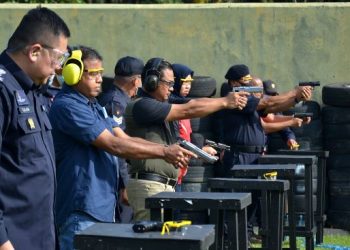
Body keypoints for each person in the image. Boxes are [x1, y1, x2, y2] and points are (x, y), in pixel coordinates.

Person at [48, 47, 195, 250]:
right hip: (81, 210)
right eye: (93, 74)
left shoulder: (93, 106)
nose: (100, 79)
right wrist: (164, 152)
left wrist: (168, 149)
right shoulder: (68, 106)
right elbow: (114, 144)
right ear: (74, 74)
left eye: (101, 73)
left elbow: (124, 137)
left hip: (100, 207)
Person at [124, 57, 248, 221]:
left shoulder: (158, 103)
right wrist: (225, 101)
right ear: (152, 81)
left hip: (163, 186)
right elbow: (188, 109)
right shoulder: (142, 105)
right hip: (150, 186)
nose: (171, 88)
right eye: (168, 83)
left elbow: (193, 103)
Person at [0, 7, 70, 250]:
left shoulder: (34, 92)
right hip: (13, 240)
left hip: (41, 237)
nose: (59, 67)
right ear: (35, 51)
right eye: (59, 57)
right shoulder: (3, 90)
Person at [219, 64, 313, 242]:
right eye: (244, 82)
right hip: (240, 156)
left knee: (252, 204)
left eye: (249, 81)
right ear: (233, 83)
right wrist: (294, 92)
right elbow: (269, 102)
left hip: (253, 157)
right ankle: (230, 242)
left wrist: (296, 99)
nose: (248, 85)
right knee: (238, 202)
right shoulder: (238, 99)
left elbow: (271, 108)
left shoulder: (248, 100)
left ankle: (244, 240)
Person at [97, 56, 144, 222]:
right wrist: (124, 185)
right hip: (115, 181)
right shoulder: (115, 103)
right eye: (141, 80)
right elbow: (118, 147)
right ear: (135, 80)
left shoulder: (117, 99)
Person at [169, 63, 217, 191]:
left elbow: (187, 137)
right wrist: (200, 150)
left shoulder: (183, 106)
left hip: (180, 171)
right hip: (171, 171)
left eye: (189, 83)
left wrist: (201, 149)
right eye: (184, 82)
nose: (188, 87)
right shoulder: (172, 106)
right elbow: (177, 139)